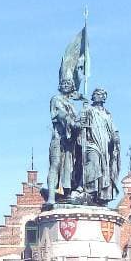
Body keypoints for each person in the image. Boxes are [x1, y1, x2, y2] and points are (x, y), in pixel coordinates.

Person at [80, 87, 120, 204]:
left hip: (105, 145)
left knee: (105, 170)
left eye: (103, 94)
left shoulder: (107, 114)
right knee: (93, 163)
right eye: (98, 93)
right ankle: (89, 191)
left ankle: (101, 196)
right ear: (93, 96)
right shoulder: (88, 110)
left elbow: (114, 129)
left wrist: (116, 138)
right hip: (91, 142)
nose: (101, 96)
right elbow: (79, 124)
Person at [45, 77, 81, 205]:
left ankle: (68, 194)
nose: (66, 85)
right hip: (58, 138)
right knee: (55, 165)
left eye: (69, 83)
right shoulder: (56, 99)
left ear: (72, 88)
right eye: (63, 83)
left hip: (70, 142)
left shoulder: (71, 104)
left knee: (69, 168)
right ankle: (51, 197)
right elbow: (60, 114)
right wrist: (72, 122)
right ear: (60, 86)